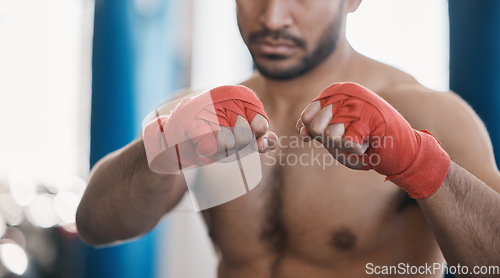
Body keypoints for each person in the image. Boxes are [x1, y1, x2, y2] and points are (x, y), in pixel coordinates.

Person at [76, 0, 500, 277]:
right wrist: (161, 147)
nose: (273, 17)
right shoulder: (200, 116)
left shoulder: (430, 115)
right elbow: (95, 224)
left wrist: (419, 162)